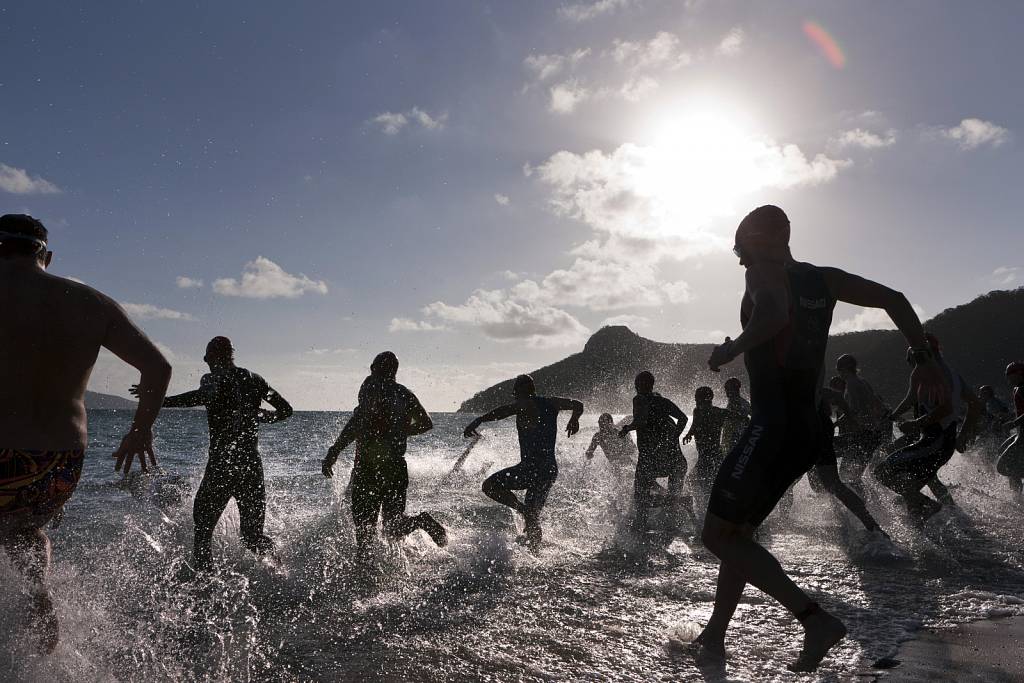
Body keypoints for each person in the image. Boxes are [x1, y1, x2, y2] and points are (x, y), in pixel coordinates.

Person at [694, 205, 947, 672]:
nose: (746, 264)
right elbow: (894, 298)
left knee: (716, 534)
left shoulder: (764, 274)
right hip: (809, 428)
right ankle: (715, 635)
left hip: (772, 425)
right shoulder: (826, 279)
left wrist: (730, 349)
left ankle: (813, 620)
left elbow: (770, 315)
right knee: (740, 535)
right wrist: (922, 356)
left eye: (745, 254)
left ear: (757, 243)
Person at [0, 214, 171, 652]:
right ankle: (39, 615)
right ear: (47, 255)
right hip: (57, 457)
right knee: (27, 534)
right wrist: (140, 430)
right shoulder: (89, 302)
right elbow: (157, 367)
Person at [144, 336, 291, 572]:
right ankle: (283, 573)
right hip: (251, 466)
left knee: (202, 533)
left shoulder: (213, 378)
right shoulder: (256, 380)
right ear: (232, 355)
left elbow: (199, 397)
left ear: (211, 357)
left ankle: (204, 586)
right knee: (252, 537)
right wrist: (258, 415)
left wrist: (159, 399)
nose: (206, 361)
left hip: (222, 466)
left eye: (207, 357)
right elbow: (286, 410)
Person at [322, 352, 447, 555]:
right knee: (392, 527)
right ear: (395, 371)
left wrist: (334, 451)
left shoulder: (370, 387)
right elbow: (426, 423)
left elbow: (357, 422)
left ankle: (365, 577)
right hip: (396, 468)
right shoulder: (404, 393)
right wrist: (400, 430)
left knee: (364, 533)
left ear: (374, 368)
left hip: (368, 469)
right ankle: (421, 521)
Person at [463, 375, 583, 551]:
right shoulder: (552, 403)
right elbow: (578, 405)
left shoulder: (525, 403)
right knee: (532, 519)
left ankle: (523, 511)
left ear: (519, 391)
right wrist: (575, 419)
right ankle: (536, 557)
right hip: (548, 469)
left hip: (531, 469)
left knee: (490, 486)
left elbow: (504, 411)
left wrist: (480, 420)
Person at [875, 334, 980, 519]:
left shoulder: (934, 374)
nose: (912, 362)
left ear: (919, 353)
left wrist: (916, 423)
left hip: (935, 441)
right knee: (913, 487)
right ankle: (949, 522)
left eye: (912, 357)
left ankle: (931, 508)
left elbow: (945, 409)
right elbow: (976, 404)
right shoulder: (949, 373)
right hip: (940, 441)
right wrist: (892, 417)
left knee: (882, 471)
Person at [620, 372, 694, 537]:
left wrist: (627, 428)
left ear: (639, 385)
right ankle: (678, 512)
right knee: (670, 504)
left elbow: (642, 420)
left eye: (638, 384)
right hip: (675, 461)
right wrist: (674, 436)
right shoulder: (663, 402)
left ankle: (639, 533)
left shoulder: (639, 399)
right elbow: (683, 418)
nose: (637, 387)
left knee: (640, 496)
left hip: (650, 458)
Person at [806, 384, 887, 535]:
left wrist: (851, 419)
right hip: (816, 431)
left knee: (830, 484)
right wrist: (850, 418)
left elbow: (835, 396)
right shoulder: (806, 383)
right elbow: (836, 395)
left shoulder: (802, 382)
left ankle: (871, 524)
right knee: (827, 484)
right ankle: (867, 523)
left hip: (816, 433)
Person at [835, 354, 890, 494]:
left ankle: (868, 506)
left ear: (845, 368)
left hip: (864, 436)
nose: (838, 371)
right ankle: (872, 504)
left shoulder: (852, 383)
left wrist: (835, 424)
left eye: (838, 368)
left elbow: (853, 411)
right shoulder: (861, 381)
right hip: (871, 435)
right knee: (852, 476)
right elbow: (878, 405)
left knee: (846, 476)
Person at [683, 387, 732, 501]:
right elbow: (695, 425)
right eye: (696, 398)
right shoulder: (698, 411)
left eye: (697, 398)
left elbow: (741, 418)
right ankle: (709, 503)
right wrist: (689, 434)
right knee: (696, 482)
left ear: (705, 399)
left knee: (701, 483)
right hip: (705, 455)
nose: (695, 400)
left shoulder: (718, 412)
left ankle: (712, 504)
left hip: (712, 455)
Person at [995, 362, 1024, 494]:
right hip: (1019, 433)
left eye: (1010, 375)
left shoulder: (1023, 388)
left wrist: (1013, 424)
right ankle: (1016, 495)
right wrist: (1008, 416)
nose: (1008, 378)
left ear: (1019, 373)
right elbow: (1021, 411)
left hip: (1022, 435)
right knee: (1002, 453)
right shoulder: (1017, 388)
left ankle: (1017, 496)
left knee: (1003, 466)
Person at [584, 413, 636, 481]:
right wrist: (588, 455)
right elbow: (589, 452)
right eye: (600, 424)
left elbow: (632, 450)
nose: (602, 427)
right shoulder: (598, 437)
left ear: (611, 423)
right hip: (614, 464)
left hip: (627, 461)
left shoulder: (620, 433)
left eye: (604, 424)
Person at [720, 377, 751, 453]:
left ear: (735, 389)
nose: (726, 391)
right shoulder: (738, 402)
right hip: (730, 436)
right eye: (726, 389)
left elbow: (749, 417)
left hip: (734, 437)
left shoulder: (739, 402)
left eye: (728, 388)